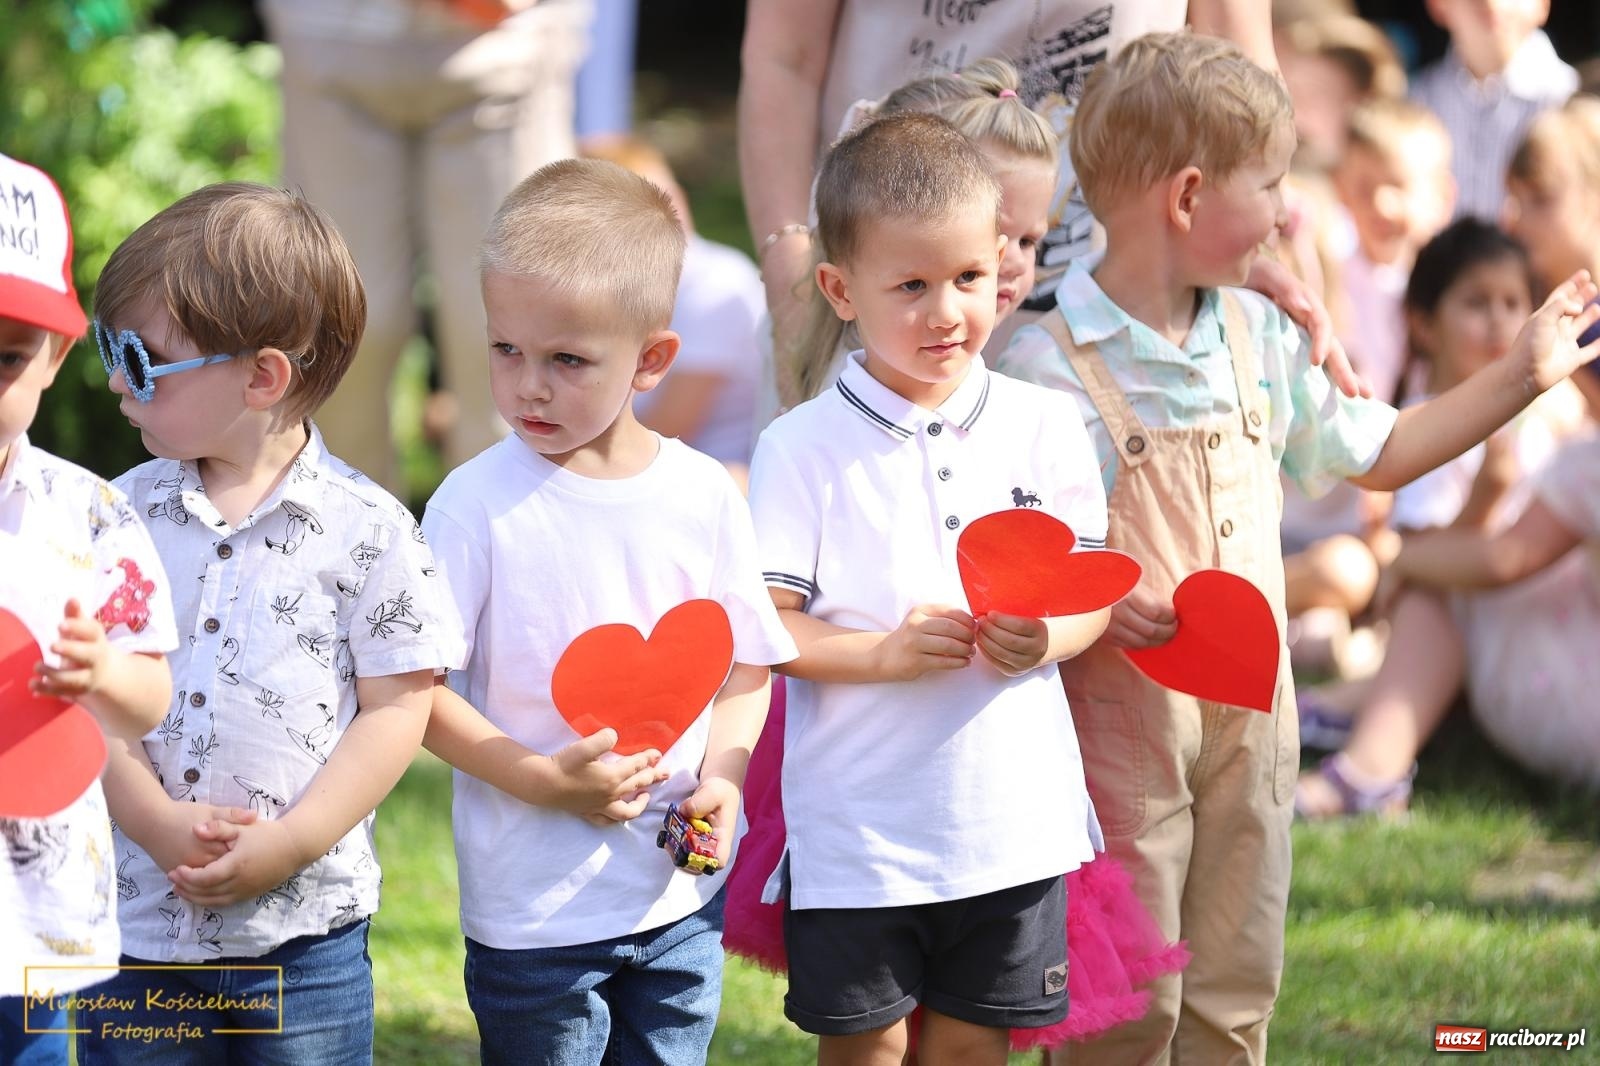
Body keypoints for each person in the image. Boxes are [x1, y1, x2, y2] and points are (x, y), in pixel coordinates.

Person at [995, 31, 1599, 1062]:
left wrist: (1521, 375)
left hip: (1251, 724)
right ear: (1188, 199)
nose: (1287, 212)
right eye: (1269, 185)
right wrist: (1085, 596)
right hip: (1117, 731)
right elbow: (1013, 555)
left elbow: (1387, 448)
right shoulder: (1043, 362)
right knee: (1126, 996)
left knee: (1234, 980)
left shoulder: (1260, 340)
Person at [725, 63, 1188, 1053]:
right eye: (912, 286)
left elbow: (1091, 592)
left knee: (973, 1047)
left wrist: (1049, 634)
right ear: (840, 291)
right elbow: (768, 628)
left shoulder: (1044, 426)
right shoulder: (801, 447)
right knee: (870, 1046)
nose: (947, 311)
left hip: (1008, 824)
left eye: (970, 279)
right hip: (859, 831)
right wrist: (882, 656)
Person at [419, 158, 797, 1066]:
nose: (528, 387)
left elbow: (744, 665)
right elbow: (416, 694)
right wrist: (540, 781)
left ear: (652, 361)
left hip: (674, 901)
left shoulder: (704, 494)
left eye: (567, 361)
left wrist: (728, 778)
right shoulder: (472, 507)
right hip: (533, 914)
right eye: (504, 349)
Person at [75, 182, 460, 1065]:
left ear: (261, 375)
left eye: (138, 358)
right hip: (136, 933)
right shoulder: (112, 519)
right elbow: (86, 701)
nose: (111, 377)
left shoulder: (369, 530)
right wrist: (154, 822)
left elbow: (399, 708)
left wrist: (291, 842)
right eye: (107, 347)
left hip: (306, 939)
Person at [1294, 221, 1589, 810]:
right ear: (1425, 324)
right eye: (1476, 303)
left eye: (1512, 302)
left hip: (1547, 617)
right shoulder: (1429, 429)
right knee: (1427, 596)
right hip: (1478, 612)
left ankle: (1341, 712)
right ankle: (1370, 765)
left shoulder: (1553, 415)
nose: (1499, 321)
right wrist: (1484, 495)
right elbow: (1434, 563)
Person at [260, 0, 593, 493]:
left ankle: (510, 547)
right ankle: (340, 548)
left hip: (504, 45)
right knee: (342, 326)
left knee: (517, 325)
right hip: (332, 40)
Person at [0, 153, 176, 1066]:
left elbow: (151, 697)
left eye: (5, 357)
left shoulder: (92, 516)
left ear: (59, 353)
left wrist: (102, 670)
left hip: (35, 917)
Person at [584, 137, 766, 474]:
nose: (670, 212)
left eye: (669, 194)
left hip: (718, 471)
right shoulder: (627, 287)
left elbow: (667, 428)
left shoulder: (716, 286)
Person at [1410, 0, 1576, 222]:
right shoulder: (1415, 99)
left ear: (1543, 4)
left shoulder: (1573, 102)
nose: (1491, 3)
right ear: (1438, 5)